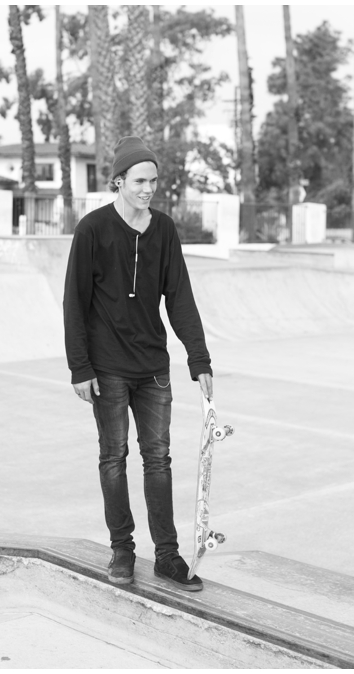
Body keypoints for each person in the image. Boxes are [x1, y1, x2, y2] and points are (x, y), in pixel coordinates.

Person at [64, 136, 213, 591]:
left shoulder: (164, 230)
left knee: (159, 460)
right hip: (106, 367)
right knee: (113, 459)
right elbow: (75, 301)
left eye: (154, 181)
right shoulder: (93, 230)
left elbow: (180, 297)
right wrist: (80, 367)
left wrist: (198, 357)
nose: (149, 189)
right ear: (119, 181)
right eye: (140, 181)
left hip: (152, 367)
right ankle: (122, 550)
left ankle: (166, 556)